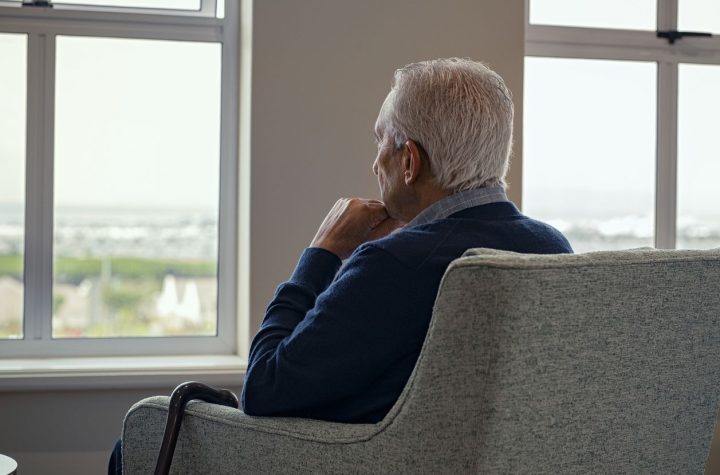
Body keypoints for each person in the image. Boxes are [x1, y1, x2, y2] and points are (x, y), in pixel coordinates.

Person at [240, 58, 572, 424]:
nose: (375, 164)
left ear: (410, 162)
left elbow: (262, 390)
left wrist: (322, 252)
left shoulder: (395, 264)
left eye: (381, 141)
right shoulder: (553, 249)